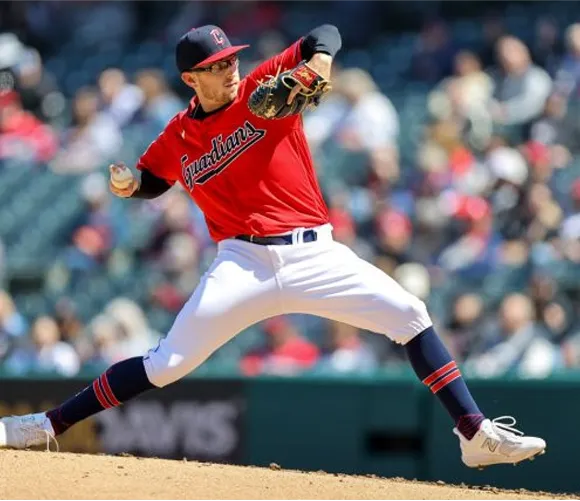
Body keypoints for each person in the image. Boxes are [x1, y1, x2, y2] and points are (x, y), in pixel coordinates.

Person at [0, 24, 546, 469]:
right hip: (242, 262)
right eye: (216, 66)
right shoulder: (179, 134)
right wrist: (130, 185)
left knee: (410, 313)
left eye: (231, 58)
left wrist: (319, 67)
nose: (231, 68)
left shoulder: (264, 81)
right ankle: (47, 425)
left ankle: (474, 433)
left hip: (315, 252)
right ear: (192, 78)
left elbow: (324, 33)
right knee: (167, 363)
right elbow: (153, 177)